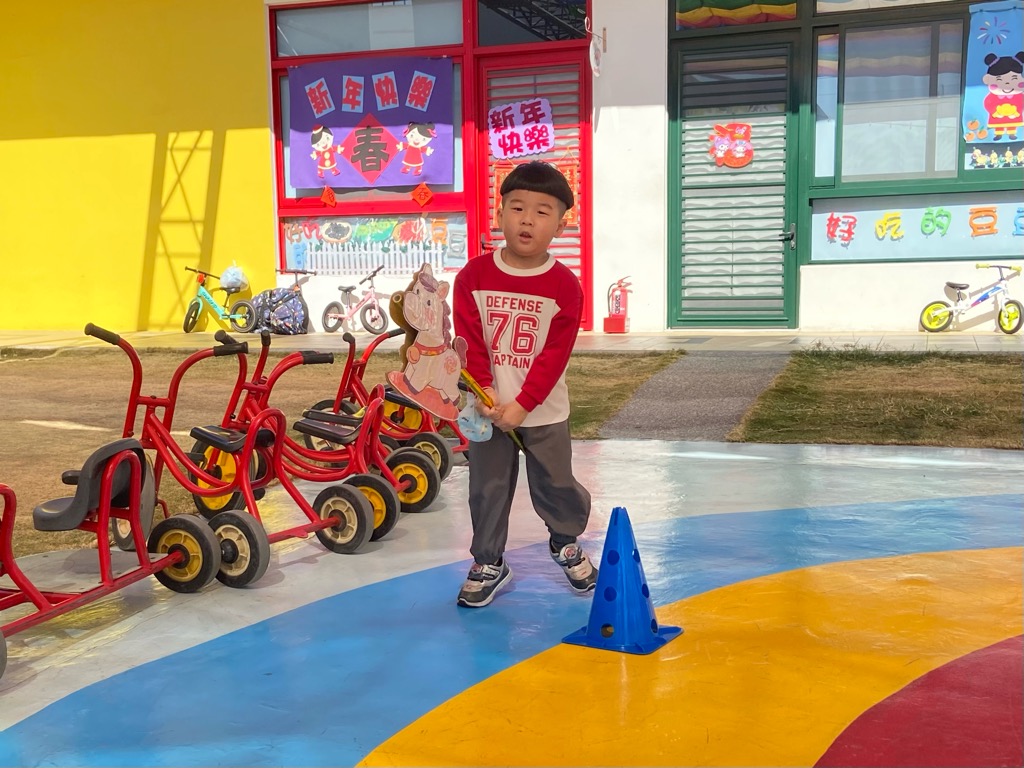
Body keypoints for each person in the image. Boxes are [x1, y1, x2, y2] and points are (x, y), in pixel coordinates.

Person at [452, 161, 597, 608]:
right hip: (487, 408)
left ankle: (565, 542)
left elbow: (554, 355)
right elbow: (468, 340)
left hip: (544, 411)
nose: (527, 220)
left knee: (556, 483)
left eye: (541, 211)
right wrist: (484, 391)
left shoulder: (564, 286)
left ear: (561, 224)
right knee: (487, 487)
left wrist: (524, 404)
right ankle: (488, 561)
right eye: (517, 208)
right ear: (499, 214)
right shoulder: (472, 276)